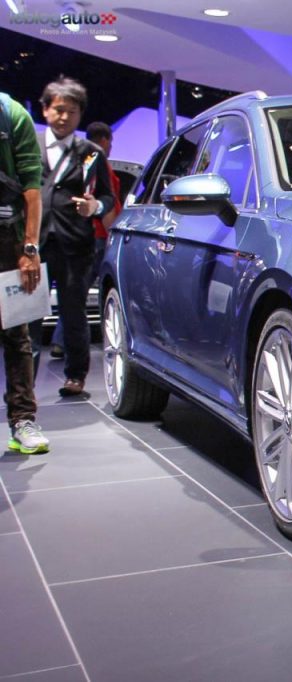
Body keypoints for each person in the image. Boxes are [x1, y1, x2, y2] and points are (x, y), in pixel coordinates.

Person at [36, 77, 114, 397]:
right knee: (26, 316)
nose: (64, 117)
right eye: (59, 109)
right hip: (34, 244)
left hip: (75, 245)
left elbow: (107, 197)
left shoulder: (91, 153)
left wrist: (95, 207)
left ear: (80, 114)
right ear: (45, 110)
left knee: (73, 313)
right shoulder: (29, 146)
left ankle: (75, 376)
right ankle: (23, 381)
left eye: (72, 111)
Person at [0, 91, 49, 453]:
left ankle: (23, 421)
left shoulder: (12, 113)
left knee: (16, 332)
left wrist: (30, 249)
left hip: (7, 236)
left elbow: (32, 186)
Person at [51, 121, 121, 360]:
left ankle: (62, 341)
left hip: (84, 236)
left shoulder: (83, 163)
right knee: (78, 295)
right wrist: (111, 231)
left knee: (75, 294)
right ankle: (65, 342)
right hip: (99, 237)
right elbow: (105, 202)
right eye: (110, 142)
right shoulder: (98, 163)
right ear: (104, 140)